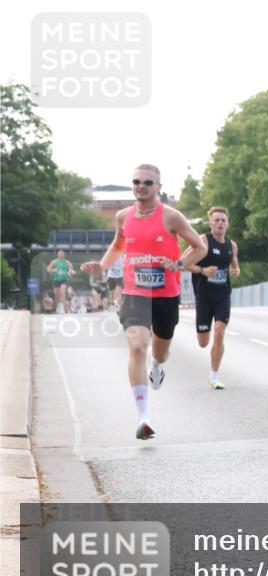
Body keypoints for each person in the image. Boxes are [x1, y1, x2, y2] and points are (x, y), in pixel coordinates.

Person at [82, 164, 207, 439]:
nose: (141, 186)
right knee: (138, 346)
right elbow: (119, 245)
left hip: (165, 295)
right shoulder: (123, 216)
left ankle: (158, 366)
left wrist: (178, 264)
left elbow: (200, 247)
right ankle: (143, 417)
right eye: (137, 181)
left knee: (160, 352)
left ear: (158, 187)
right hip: (134, 293)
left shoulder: (171, 216)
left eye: (148, 182)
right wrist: (102, 266)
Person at [191, 206, 240, 389]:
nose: (220, 223)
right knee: (203, 342)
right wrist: (202, 270)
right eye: (216, 220)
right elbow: (183, 263)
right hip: (203, 296)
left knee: (219, 332)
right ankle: (212, 365)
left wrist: (236, 270)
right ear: (210, 222)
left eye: (223, 220)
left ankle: (215, 376)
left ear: (228, 224)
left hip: (222, 295)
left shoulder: (231, 245)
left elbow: (234, 264)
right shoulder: (203, 241)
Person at [46, 250, 75, 314]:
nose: (61, 255)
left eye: (62, 254)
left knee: (62, 291)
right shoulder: (54, 262)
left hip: (64, 279)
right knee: (57, 294)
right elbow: (48, 269)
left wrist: (71, 272)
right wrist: (54, 270)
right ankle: (58, 306)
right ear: (58, 255)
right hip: (56, 280)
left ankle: (64, 309)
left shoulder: (67, 262)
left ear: (64, 255)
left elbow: (72, 270)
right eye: (60, 254)